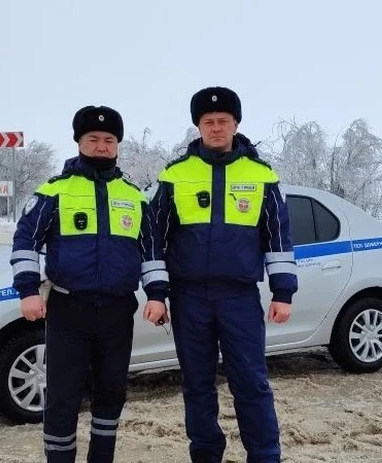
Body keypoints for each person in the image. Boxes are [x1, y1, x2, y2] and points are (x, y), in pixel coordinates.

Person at [10, 105, 169, 463]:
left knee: (111, 395)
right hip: (69, 311)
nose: (101, 146)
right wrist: (28, 291)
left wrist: (157, 295)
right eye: (93, 139)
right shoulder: (54, 191)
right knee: (62, 398)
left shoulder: (134, 196)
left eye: (109, 140)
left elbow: (152, 252)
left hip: (117, 311)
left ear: (117, 145)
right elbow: (25, 242)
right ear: (79, 141)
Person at [151, 87, 298, 462]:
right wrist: (157, 292)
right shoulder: (175, 175)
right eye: (208, 122)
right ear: (198, 126)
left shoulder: (261, 175)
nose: (216, 128)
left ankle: (264, 456)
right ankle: (205, 455)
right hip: (189, 299)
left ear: (236, 124)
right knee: (197, 386)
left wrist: (283, 292)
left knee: (251, 384)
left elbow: (278, 237)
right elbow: (155, 238)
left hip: (239, 298)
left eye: (223, 121)